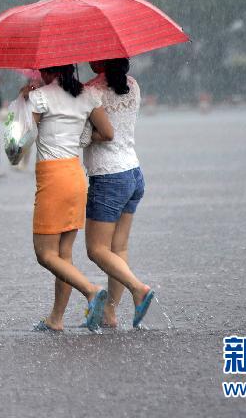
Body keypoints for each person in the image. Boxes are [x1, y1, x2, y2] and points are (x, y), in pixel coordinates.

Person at [25, 64, 114, 332]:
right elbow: (108, 133)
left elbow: (20, 138)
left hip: (53, 178)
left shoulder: (40, 97)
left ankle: (90, 290)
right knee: (63, 253)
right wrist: (80, 138)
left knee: (45, 254)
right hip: (75, 175)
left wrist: (22, 101)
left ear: (47, 71)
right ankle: (56, 319)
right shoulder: (87, 95)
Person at [83, 58, 154, 329]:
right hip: (134, 173)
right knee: (118, 248)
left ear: (97, 61)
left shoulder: (91, 93)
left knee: (96, 250)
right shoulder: (133, 85)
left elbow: (91, 132)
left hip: (109, 176)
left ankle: (139, 289)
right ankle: (110, 313)